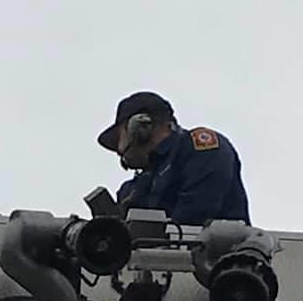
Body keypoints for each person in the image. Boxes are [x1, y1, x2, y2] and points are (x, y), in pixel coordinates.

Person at [97, 91, 250, 225]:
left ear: (138, 127)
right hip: (161, 256)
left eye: (118, 138)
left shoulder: (201, 148)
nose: (118, 150)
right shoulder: (136, 187)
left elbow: (193, 218)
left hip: (219, 255)